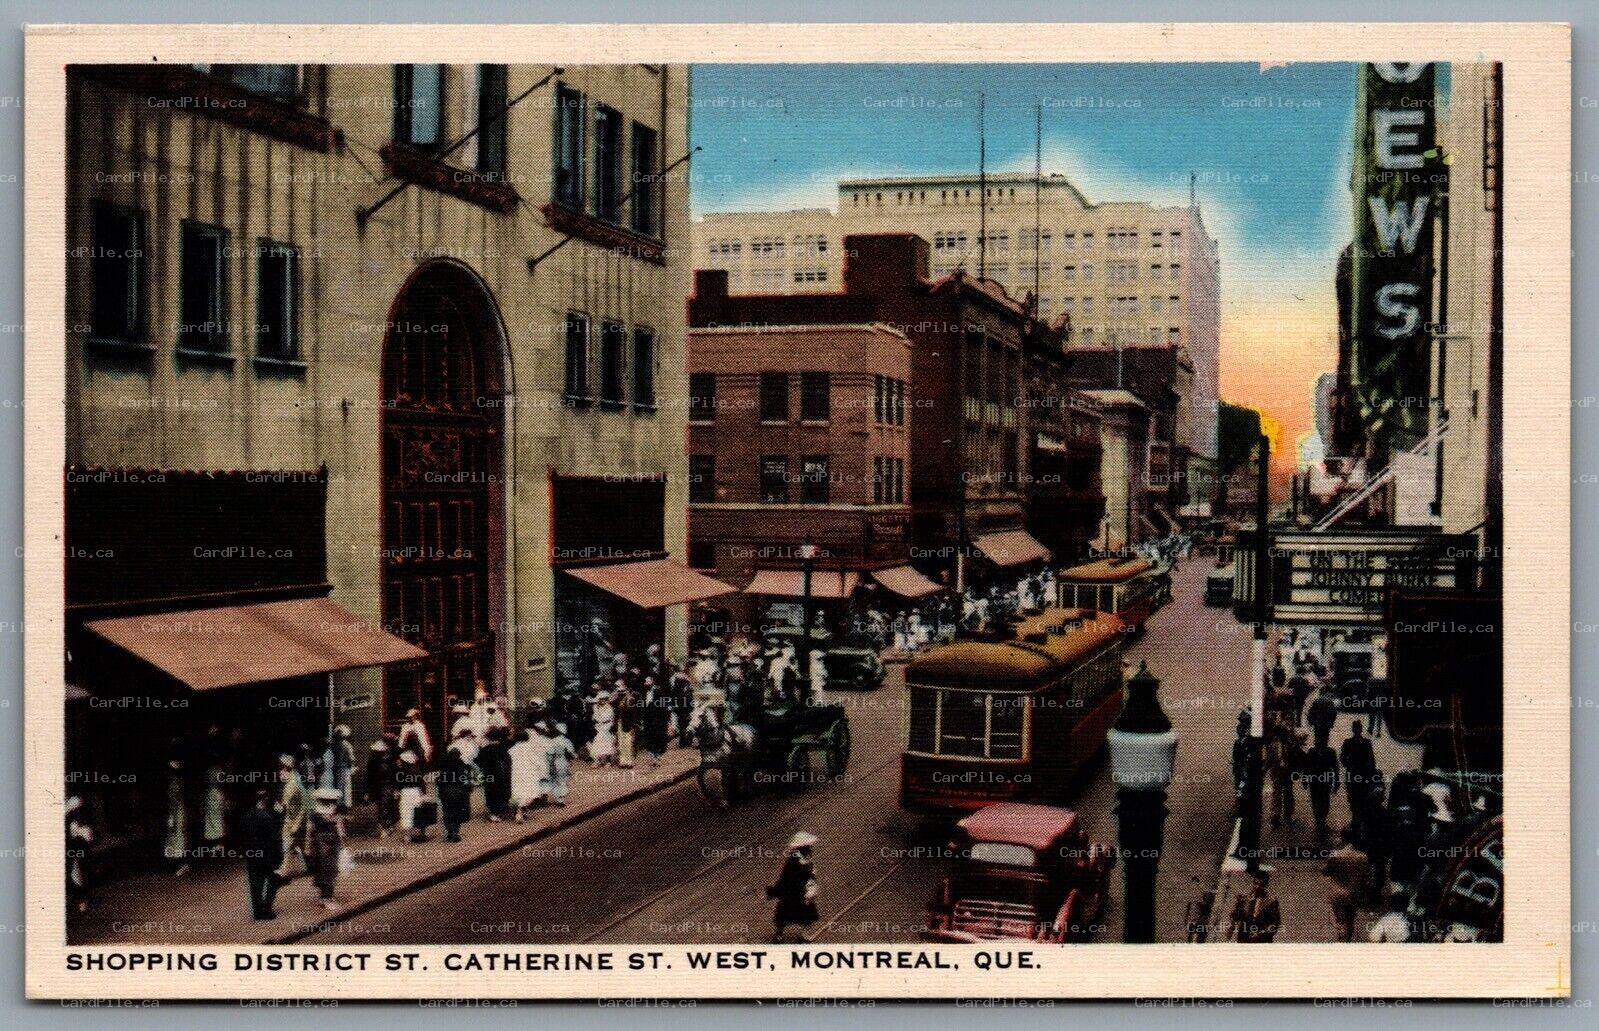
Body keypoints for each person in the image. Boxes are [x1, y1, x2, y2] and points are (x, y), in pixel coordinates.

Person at [237, 789, 282, 920]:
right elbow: (275, 839)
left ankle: (257, 912)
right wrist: (278, 856)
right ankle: (266, 908)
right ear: (265, 800)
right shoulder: (268, 817)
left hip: (252, 854)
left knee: (255, 883)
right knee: (273, 880)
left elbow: (241, 837)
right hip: (267, 855)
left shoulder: (246, 816)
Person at [767, 831, 820, 943]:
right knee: (785, 915)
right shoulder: (794, 859)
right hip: (794, 891)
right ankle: (779, 935)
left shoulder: (804, 857)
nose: (809, 848)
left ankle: (800, 935)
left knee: (803, 915)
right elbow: (786, 876)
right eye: (807, 846)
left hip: (800, 891)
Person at [1322, 828, 1370, 942]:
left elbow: (1325, 872)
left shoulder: (1336, 855)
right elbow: (1365, 877)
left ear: (1342, 839)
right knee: (1350, 920)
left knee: (1340, 920)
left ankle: (1342, 941)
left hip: (1337, 894)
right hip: (1353, 893)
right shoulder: (1362, 857)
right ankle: (1347, 940)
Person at [305, 788, 346, 911]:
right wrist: (344, 845)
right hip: (330, 845)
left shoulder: (314, 813)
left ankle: (323, 896)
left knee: (321, 869)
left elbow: (309, 830)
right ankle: (327, 898)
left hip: (319, 844)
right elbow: (340, 830)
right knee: (330, 871)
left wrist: (307, 846)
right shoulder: (335, 813)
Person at [274, 753, 309, 883]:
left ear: (285, 768)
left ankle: (285, 871)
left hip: (294, 820)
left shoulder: (293, 784)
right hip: (292, 818)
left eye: (281, 768)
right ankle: (306, 866)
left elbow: (301, 805)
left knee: (288, 844)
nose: (280, 772)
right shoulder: (292, 779)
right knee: (294, 846)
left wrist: (297, 824)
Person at [199, 725, 229, 862]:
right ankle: (215, 845)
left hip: (216, 792)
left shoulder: (218, 767)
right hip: (211, 792)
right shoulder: (210, 766)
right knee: (213, 817)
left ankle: (218, 845)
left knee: (217, 817)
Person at [1301, 736, 1340, 839]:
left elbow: (1335, 767)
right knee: (1316, 799)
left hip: (1325, 780)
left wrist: (1337, 781)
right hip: (1315, 779)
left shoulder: (1330, 752)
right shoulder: (1312, 752)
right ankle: (1319, 820)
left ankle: (1321, 819)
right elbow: (1306, 766)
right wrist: (1304, 779)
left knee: (1324, 800)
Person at [1228, 871, 1281, 943]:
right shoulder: (1243, 898)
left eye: (1261, 885)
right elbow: (1235, 917)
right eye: (1256, 883)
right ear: (1252, 882)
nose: (1258, 887)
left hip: (1262, 941)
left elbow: (1275, 924)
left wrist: (1260, 933)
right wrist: (1230, 930)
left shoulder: (1271, 901)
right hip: (1243, 939)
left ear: (1266, 885)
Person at [365, 734, 399, 838]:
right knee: (384, 805)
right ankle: (386, 826)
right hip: (382, 784)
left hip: (386, 784)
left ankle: (387, 826)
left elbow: (369, 774)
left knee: (385, 805)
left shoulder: (389, 758)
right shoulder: (389, 758)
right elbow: (369, 774)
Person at [508, 727, 546, 821]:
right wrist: (542, 771)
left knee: (520, 792)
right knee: (531, 793)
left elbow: (509, 762)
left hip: (517, 773)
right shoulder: (530, 748)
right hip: (530, 772)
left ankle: (523, 810)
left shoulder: (512, 749)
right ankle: (521, 810)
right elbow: (537, 761)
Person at [66, 795, 95, 914]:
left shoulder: (82, 820)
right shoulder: (68, 818)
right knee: (73, 872)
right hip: (71, 847)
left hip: (79, 847)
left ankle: (82, 898)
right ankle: (79, 897)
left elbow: (88, 836)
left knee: (81, 871)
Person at [163, 753, 190, 877]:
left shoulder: (179, 783)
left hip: (178, 812)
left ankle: (182, 863)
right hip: (173, 812)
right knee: (173, 837)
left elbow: (179, 800)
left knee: (179, 837)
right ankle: (176, 862)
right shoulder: (172, 783)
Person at [478, 724, 512, 821]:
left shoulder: (485, 749)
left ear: (488, 737)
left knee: (490, 792)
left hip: (489, 774)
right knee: (502, 791)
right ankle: (502, 809)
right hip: (502, 774)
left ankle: (493, 813)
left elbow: (478, 761)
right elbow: (508, 761)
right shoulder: (503, 748)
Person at [538, 718, 575, 807]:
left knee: (547, 779)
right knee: (559, 780)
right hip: (559, 761)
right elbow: (572, 752)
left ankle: (545, 797)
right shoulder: (562, 739)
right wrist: (570, 758)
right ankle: (559, 799)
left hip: (548, 762)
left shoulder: (543, 739)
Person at [396, 748, 429, 843]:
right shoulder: (416, 770)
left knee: (406, 813)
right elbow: (421, 783)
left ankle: (407, 836)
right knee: (417, 812)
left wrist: (398, 791)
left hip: (405, 793)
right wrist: (424, 794)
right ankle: (420, 832)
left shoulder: (401, 772)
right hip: (416, 793)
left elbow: (398, 783)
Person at [321, 725, 356, 812]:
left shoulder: (334, 745)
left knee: (338, 786)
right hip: (345, 769)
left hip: (336, 768)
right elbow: (351, 759)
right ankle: (346, 805)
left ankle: (339, 803)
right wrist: (351, 766)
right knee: (346, 787)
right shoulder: (348, 745)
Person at [640, 677, 672, 766]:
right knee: (650, 738)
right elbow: (643, 707)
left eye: (648, 683)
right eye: (646, 683)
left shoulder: (658, 692)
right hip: (648, 720)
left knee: (658, 738)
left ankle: (657, 756)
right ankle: (653, 756)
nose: (647, 685)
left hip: (658, 720)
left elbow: (663, 707)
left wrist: (665, 719)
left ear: (653, 683)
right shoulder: (645, 692)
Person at [589, 688, 618, 767]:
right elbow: (594, 717)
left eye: (604, 699)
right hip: (599, 727)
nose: (603, 701)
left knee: (607, 744)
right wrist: (596, 711)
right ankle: (597, 760)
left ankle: (608, 761)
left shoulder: (609, 708)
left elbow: (607, 718)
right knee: (597, 744)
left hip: (606, 727)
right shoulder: (596, 707)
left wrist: (600, 720)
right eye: (601, 699)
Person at [1183, 876, 1216, 943]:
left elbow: (1205, 907)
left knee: (1197, 936)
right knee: (1191, 935)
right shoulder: (1194, 898)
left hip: (1199, 919)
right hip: (1195, 918)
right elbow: (1189, 908)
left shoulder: (1202, 895)